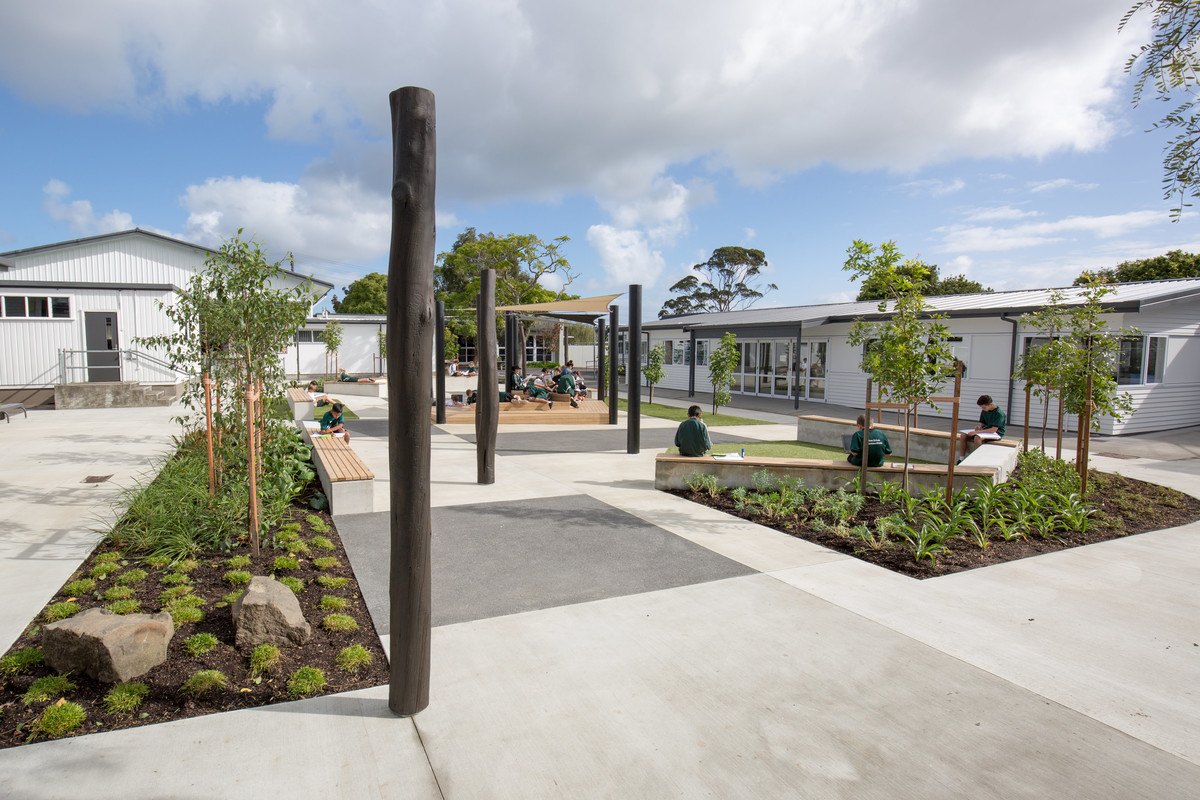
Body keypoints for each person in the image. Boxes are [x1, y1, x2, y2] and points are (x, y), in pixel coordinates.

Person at [958, 394, 1006, 461]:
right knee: (963, 436)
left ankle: (977, 459)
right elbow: (984, 423)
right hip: (986, 431)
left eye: (984, 407)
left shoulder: (999, 414)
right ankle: (961, 458)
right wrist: (979, 427)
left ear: (991, 404)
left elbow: (994, 429)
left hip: (996, 433)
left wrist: (977, 432)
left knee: (977, 438)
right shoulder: (985, 411)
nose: (983, 409)